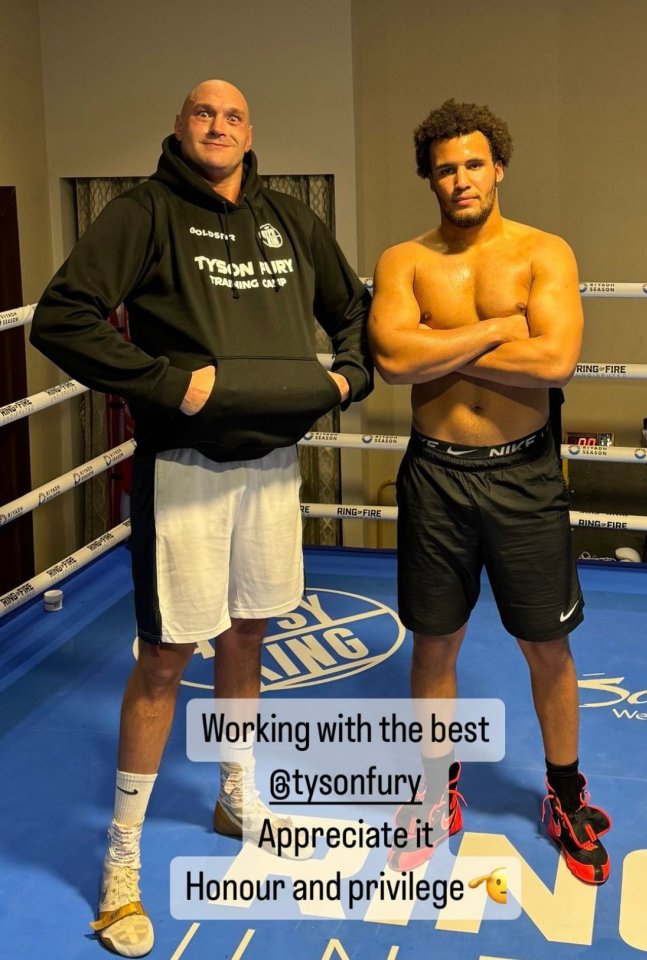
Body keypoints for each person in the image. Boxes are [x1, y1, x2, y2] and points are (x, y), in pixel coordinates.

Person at [30, 79, 372, 957]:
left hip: (270, 463)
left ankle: (236, 795)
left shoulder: (289, 217)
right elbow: (62, 317)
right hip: (182, 468)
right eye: (201, 113)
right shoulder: (145, 212)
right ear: (179, 129)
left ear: (250, 132)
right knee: (165, 656)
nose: (217, 125)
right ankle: (122, 863)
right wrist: (166, 383)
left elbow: (354, 314)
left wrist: (346, 379)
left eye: (232, 114)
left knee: (249, 635)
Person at [368, 100, 611, 884]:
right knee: (434, 643)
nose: (461, 179)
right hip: (435, 474)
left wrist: (438, 346)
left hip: (523, 473)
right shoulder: (402, 260)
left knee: (546, 644)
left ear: (497, 167)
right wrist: (497, 329)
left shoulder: (544, 252)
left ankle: (565, 793)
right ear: (428, 178)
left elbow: (554, 364)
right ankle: (435, 791)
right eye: (445, 167)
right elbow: (394, 364)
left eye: (473, 163)